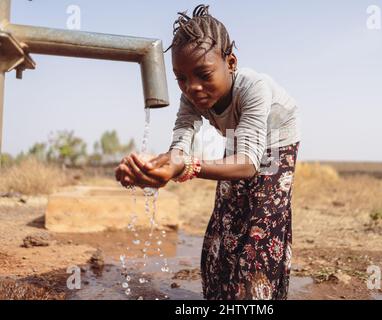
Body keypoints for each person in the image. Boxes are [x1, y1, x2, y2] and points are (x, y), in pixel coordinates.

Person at [115, 4, 300, 300]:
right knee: (226, 216)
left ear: (231, 62)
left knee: (260, 223)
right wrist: (158, 165)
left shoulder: (254, 88)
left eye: (203, 74)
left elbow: (249, 164)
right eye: (181, 78)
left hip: (276, 137)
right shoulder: (192, 95)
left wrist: (187, 167)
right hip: (240, 136)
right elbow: (180, 143)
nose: (193, 88)